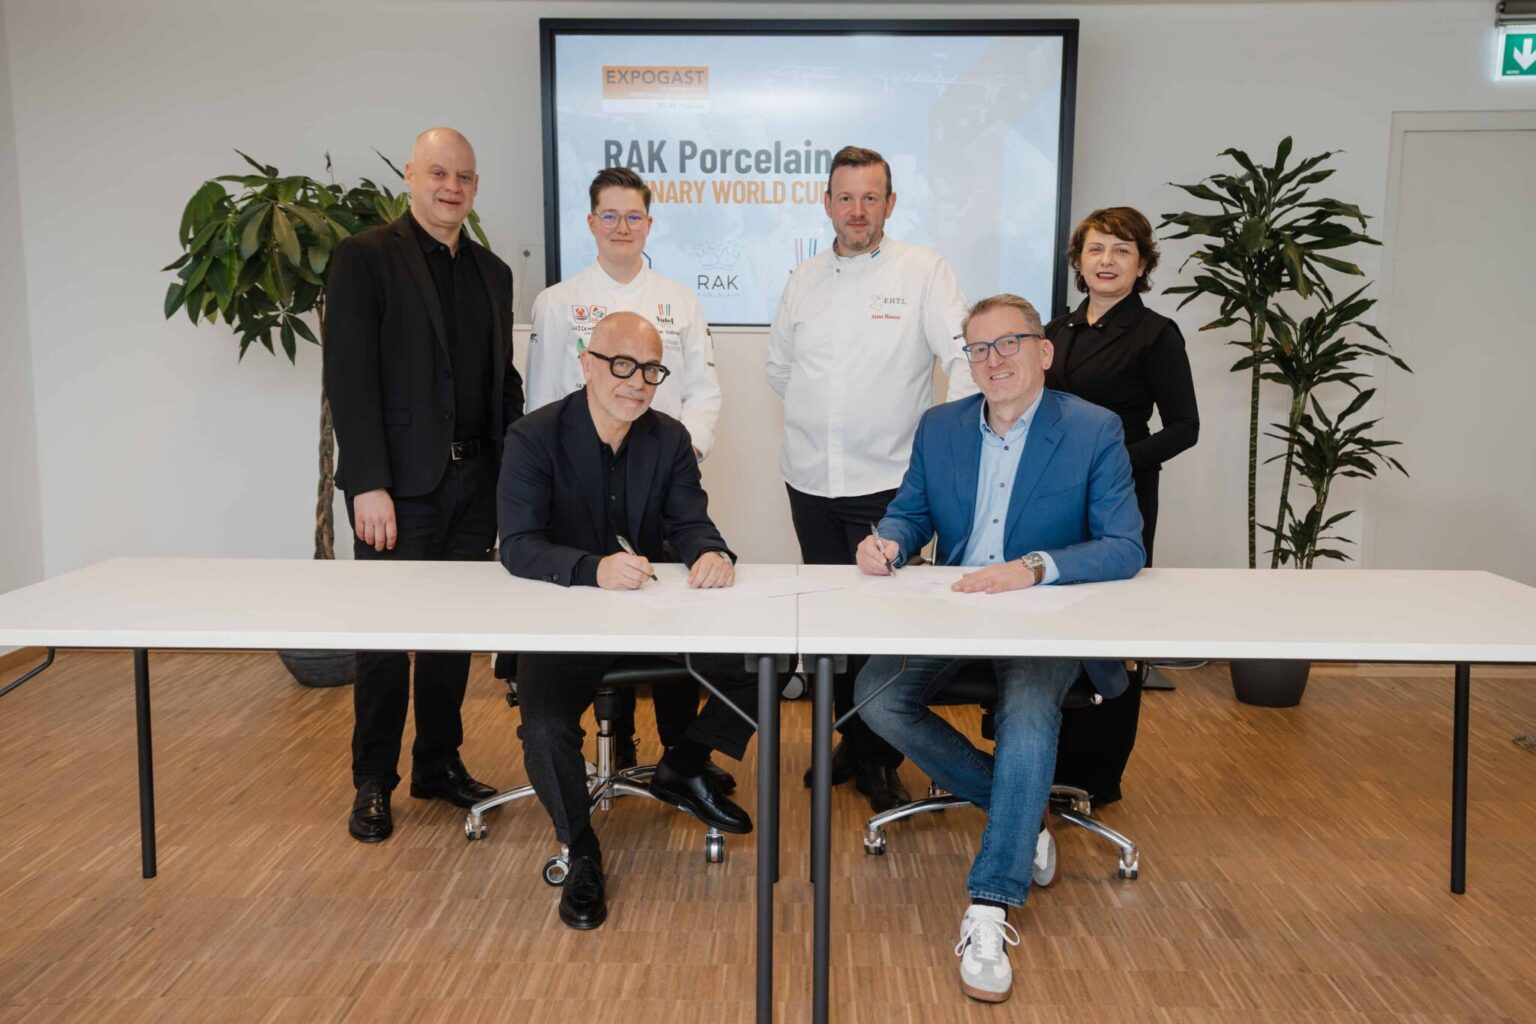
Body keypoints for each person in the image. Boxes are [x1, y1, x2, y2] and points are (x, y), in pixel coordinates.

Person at [852, 293, 1144, 1004]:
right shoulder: (942, 426)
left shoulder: (1093, 429)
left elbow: (1124, 545)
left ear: (1043, 351)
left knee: (1029, 715)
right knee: (875, 697)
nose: (994, 360)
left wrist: (1034, 568)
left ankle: (989, 903)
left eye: (1009, 343)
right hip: (956, 603)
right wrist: (887, 541)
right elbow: (912, 511)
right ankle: (1020, 810)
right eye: (979, 348)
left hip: (1044, 611)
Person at [499, 311, 758, 931]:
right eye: (621, 365)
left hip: (651, 620)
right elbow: (519, 545)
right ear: (586, 365)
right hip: (565, 621)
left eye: (650, 369)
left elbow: (689, 521)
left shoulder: (668, 439)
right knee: (544, 728)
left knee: (764, 661)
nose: (637, 382)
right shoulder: (534, 437)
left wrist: (712, 553)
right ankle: (580, 849)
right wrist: (593, 569)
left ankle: (683, 765)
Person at [324, 127, 523, 844]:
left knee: (450, 637)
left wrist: (515, 479)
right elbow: (348, 377)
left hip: (476, 481)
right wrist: (367, 484)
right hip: (398, 491)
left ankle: (438, 764)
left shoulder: (494, 273)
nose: (451, 187)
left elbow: (501, 382)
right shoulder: (365, 257)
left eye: (464, 177)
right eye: (438, 173)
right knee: (384, 638)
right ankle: (373, 781)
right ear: (411, 175)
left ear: (475, 187)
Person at [765, 144, 977, 812]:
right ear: (827, 203)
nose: (857, 210)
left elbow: (963, 360)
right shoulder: (803, 278)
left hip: (891, 484)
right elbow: (780, 368)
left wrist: (946, 447)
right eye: (845, 197)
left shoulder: (924, 271)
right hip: (809, 481)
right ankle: (851, 746)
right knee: (831, 626)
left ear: (890, 204)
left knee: (884, 628)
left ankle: (880, 759)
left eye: (870, 198)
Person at [525, 167, 727, 786]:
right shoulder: (557, 302)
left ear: (649, 223)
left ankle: (681, 759)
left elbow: (703, 388)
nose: (621, 227)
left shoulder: (678, 300)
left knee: (673, 618)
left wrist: (680, 458)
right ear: (591, 223)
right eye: (609, 216)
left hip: (661, 482)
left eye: (633, 216)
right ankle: (617, 746)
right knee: (598, 616)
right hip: (579, 494)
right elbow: (541, 397)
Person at [1045, 207, 1199, 806]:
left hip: (1121, 495)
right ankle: (1043, 759)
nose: (1106, 261)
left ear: (1141, 265)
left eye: (1121, 250)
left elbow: (1184, 427)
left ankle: (1096, 775)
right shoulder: (1055, 331)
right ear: (1078, 261)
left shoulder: (1156, 333)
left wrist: (1113, 464)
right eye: (1095, 249)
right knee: (1054, 623)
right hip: (1054, 495)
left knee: (1110, 632)